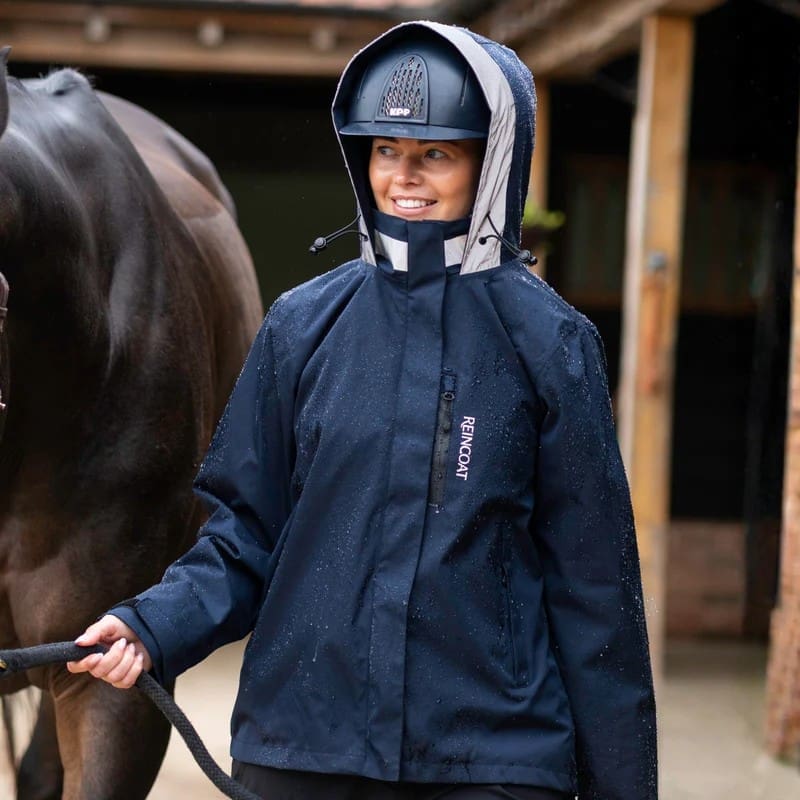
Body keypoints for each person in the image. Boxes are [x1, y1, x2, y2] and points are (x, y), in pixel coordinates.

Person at [69, 20, 657, 800]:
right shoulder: (302, 325)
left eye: (435, 154)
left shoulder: (550, 345)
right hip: (304, 747)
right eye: (386, 150)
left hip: (488, 760)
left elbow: (596, 600)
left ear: (490, 161)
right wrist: (152, 625)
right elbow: (245, 536)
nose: (404, 176)